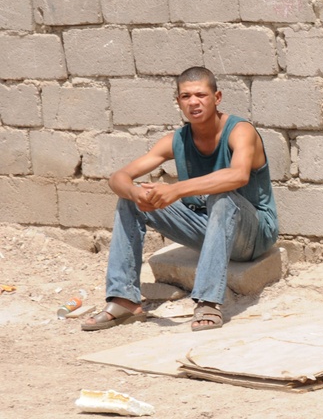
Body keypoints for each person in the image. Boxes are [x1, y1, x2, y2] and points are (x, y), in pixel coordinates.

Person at [82, 66, 279, 332]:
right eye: (186, 96)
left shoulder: (240, 131)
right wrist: (137, 193)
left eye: (201, 95)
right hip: (208, 227)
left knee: (222, 195)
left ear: (217, 97)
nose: (193, 102)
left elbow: (238, 176)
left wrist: (176, 189)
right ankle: (124, 299)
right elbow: (119, 176)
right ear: (178, 102)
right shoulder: (177, 139)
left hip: (252, 236)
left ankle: (208, 301)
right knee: (131, 199)